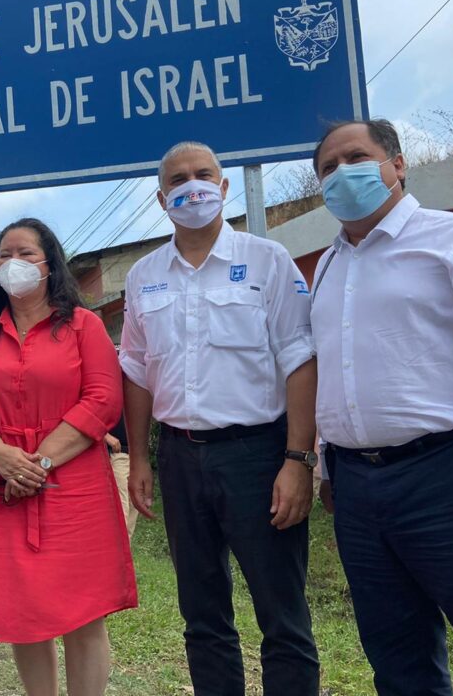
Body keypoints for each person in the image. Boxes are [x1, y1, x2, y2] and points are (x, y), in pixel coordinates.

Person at [311, 119, 453, 694]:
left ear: (397, 164)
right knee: (397, 659)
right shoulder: (330, 267)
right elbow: (341, 372)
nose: (341, 174)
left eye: (355, 157)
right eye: (327, 169)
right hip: (360, 491)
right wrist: (328, 463)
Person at [121, 142, 320, 696]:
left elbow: (300, 359)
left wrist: (299, 459)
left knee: (282, 614)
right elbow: (135, 371)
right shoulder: (143, 276)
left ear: (225, 186)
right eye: (179, 180)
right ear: (163, 199)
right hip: (180, 458)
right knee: (203, 616)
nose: (193, 186)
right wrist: (140, 457)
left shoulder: (267, 260)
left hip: (258, 456)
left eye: (203, 174)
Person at [0, 217, 136, 696]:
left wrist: (38, 464)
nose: (13, 263)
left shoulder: (83, 325)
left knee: (82, 612)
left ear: (50, 265)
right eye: (4, 254)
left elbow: (102, 400)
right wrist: (2, 457)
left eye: (26, 254)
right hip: (0, 488)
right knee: (22, 612)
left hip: (75, 489)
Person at [105, 413, 138, 540]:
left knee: (132, 515)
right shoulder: (111, 392)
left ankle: (124, 558)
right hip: (116, 454)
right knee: (120, 513)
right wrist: (104, 435)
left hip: (135, 455)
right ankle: (115, 557)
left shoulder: (134, 393)